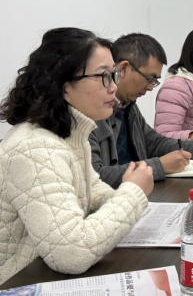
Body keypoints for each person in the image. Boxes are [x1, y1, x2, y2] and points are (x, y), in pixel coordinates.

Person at [0, 28, 154, 284]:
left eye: (114, 75)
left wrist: (125, 197)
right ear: (63, 85)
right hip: (19, 283)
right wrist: (132, 193)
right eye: (104, 77)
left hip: (45, 276)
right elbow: (72, 254)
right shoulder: (34, 148)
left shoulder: (69, 134)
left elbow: (95, 194)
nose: (113, 87)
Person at [88, 33, 193, 189]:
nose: (150, 88)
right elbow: (95, 177)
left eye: (154, 81)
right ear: (123, 69)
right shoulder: (91, 113)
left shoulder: (128, 106)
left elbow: (154, 142)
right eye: (149, 79)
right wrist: (159, 166)